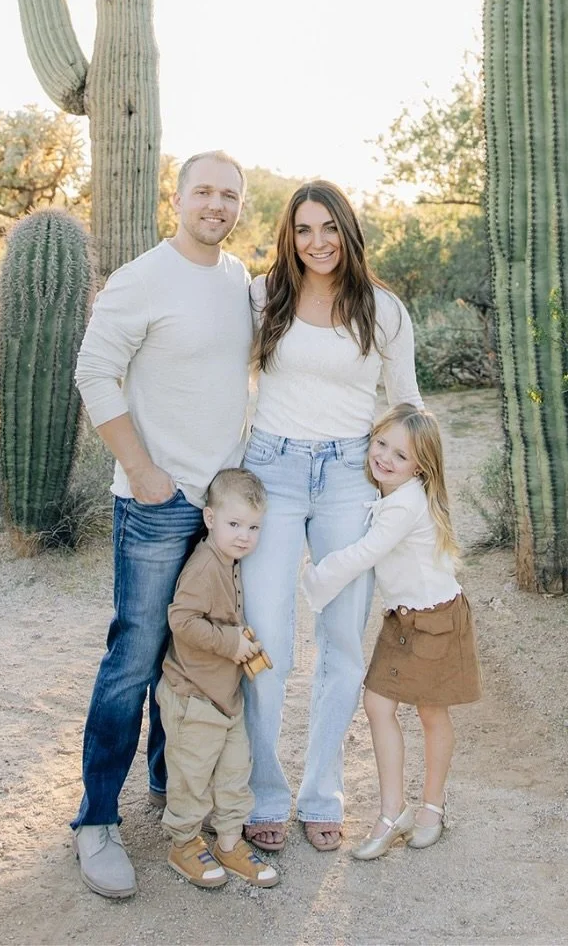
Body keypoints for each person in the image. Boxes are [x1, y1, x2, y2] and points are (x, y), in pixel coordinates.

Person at [70, 151, 251, 899]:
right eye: (203, 190)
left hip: (215, 510)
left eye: (229, 195)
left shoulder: (237, 276)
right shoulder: (144, 277)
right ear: (176, 197)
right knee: (136, 657)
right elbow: (92, 370)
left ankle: (169, 789)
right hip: (155, 502)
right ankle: (95, 821)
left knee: (191, 657)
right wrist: (141, 471)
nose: (216, 204)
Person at [239, 180, 421, 853]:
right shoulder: (262, 299)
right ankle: (265, 791)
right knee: (269, 642)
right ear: (289, 236)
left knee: (341, 642)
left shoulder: (384, 311)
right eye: (304, 229)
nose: (317, 242)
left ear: (348, 231)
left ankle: (322, 793)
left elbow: (408, 406)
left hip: (350, 478)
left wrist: (413, 496)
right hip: (273, 472)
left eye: (329, 228)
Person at [300, 403, 482, 860]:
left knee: (431, 714)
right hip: (404, 620)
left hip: (436, 619)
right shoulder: (391, 492)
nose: (384, 458)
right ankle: (392, 811)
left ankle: (431, 808)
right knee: (379, 703)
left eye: (399, 456)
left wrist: (314, 577)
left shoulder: (405, 503)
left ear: (419, 467)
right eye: (380, 443)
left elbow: (364, 554)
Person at [157, 468, 280, 889]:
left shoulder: (232, 562)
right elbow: (182, 620)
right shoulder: (204, 566)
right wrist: (230, 642)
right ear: (209, 519)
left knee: (233, 773)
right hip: (194, 698)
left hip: (226, 698)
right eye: (234, 524)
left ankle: (229, 843)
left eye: (253, 527)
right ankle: (184, 843)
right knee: (191, 777)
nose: (244, 535)